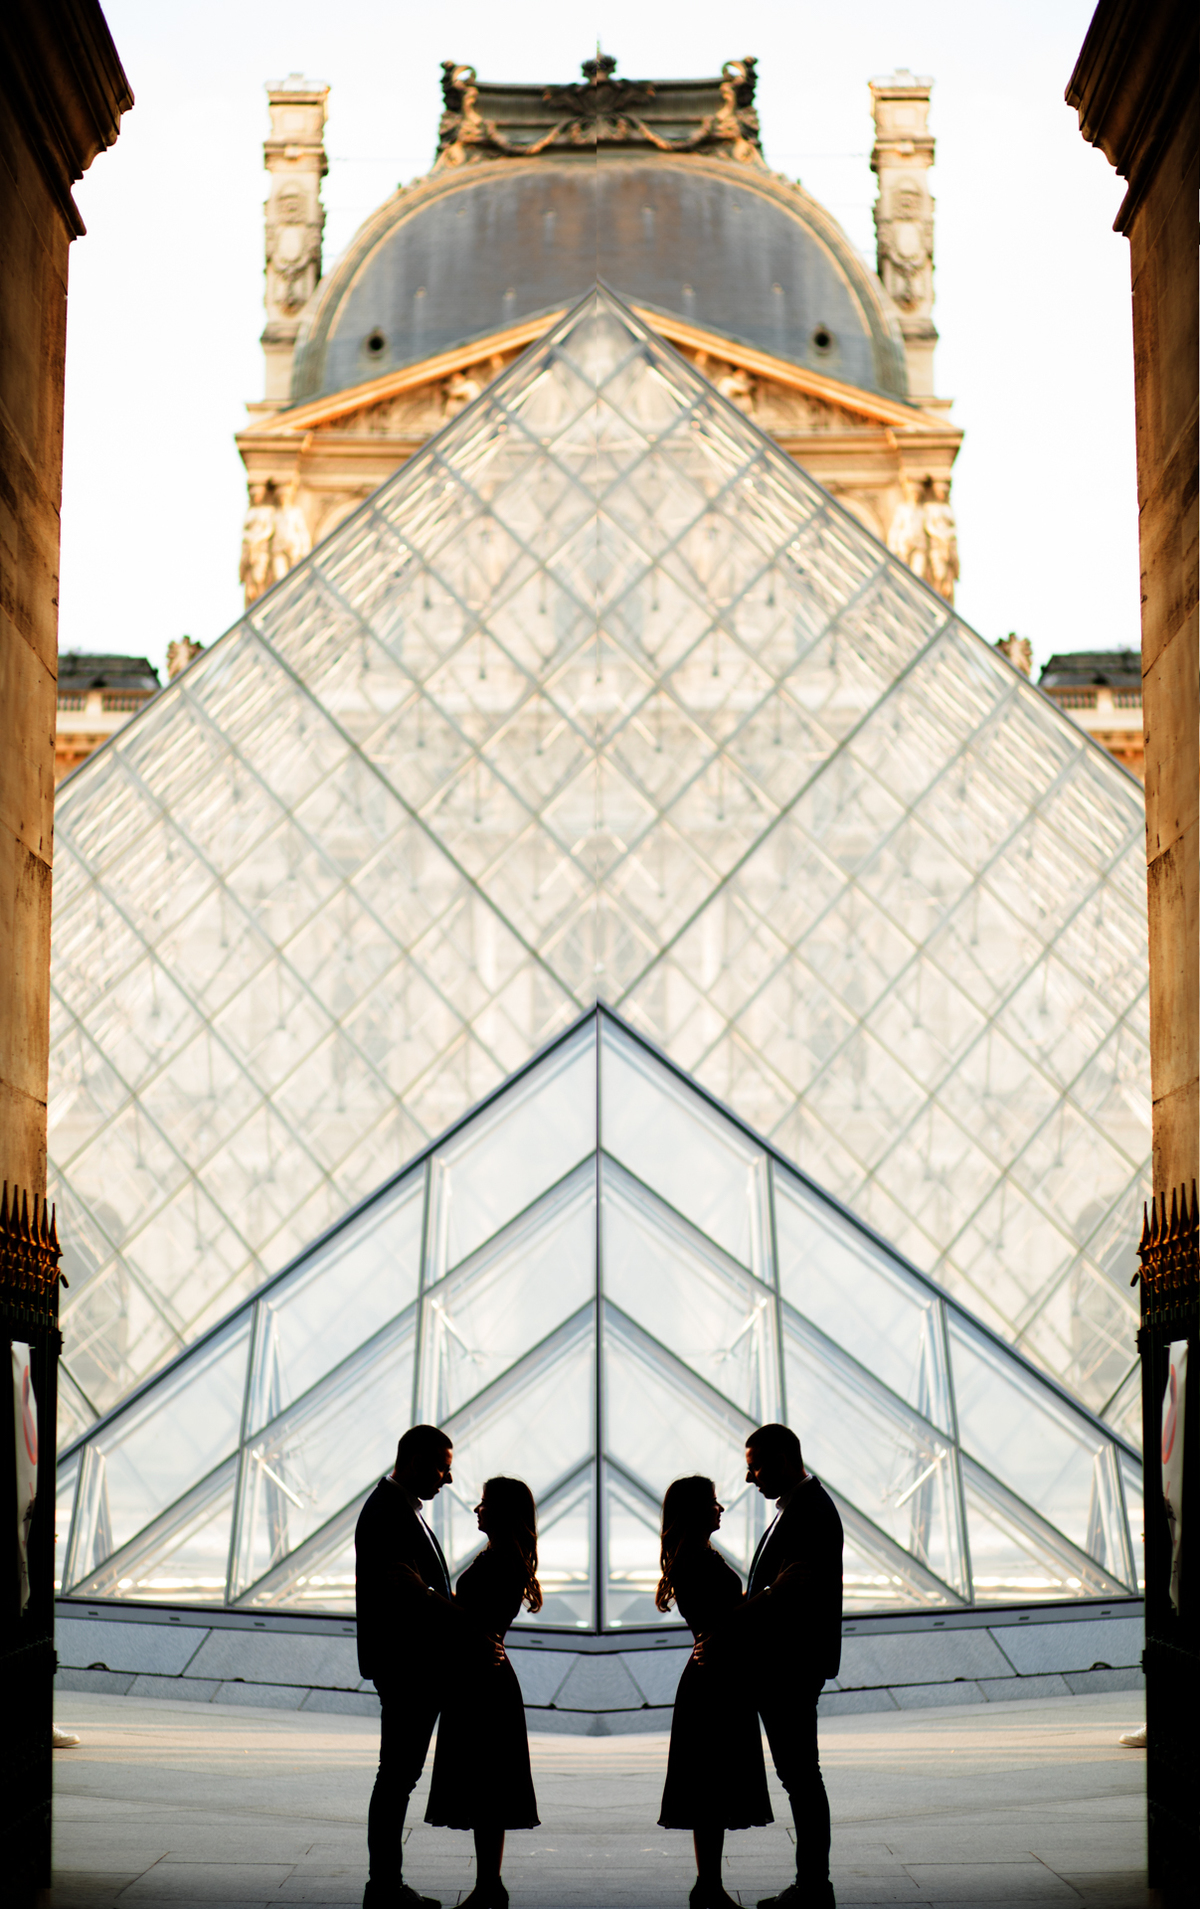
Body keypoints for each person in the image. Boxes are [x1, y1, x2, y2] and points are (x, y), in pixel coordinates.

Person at [694, 1423, 843, 1909]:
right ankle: (812, 1885)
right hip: (788, 1665)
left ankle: (814, 1888)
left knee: (801, 1777)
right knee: (800, 1777)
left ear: (781, 1460)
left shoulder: (809, 1512)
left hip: (790, 1667)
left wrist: (729, 1623)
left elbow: (791, 1589)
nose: (749, 1478)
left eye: (755, 1466)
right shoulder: (802, 1508)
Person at [355, 1424, 461, 1909]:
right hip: (408, 1667)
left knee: (397, 1776)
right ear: (416, 1461)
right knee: (397, 1777)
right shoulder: (389, 1512)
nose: (449, 1479)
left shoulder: (395, 1508)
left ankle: (386, 1884)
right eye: (443, 1467)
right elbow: (404, 1591)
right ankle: (384, 1886)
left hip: (408, 1665)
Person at [656, 1476, 772, 1908]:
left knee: (708, 1784)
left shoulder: (690, 1555)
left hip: (712, 1678)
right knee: (712, 1784)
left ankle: (709, 1885)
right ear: (693, 1510)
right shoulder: (696, 1558)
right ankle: (708, 1886)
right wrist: (773, 1592)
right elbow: (729, 1619)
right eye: (712, 1502)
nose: (720, 1508)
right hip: (716, 1681)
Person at [426, 1477, 542, 1909]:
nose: (477, 1509)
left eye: (486, 1503)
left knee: (485, 1784)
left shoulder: (500, 1559)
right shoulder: (507, 1556)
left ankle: (489, 1887)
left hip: (481, 1681)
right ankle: (488, 1885)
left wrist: (425, 1594)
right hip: (485, 1678)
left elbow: (468, 1619)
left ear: (504, 1511)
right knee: (489, 1783)